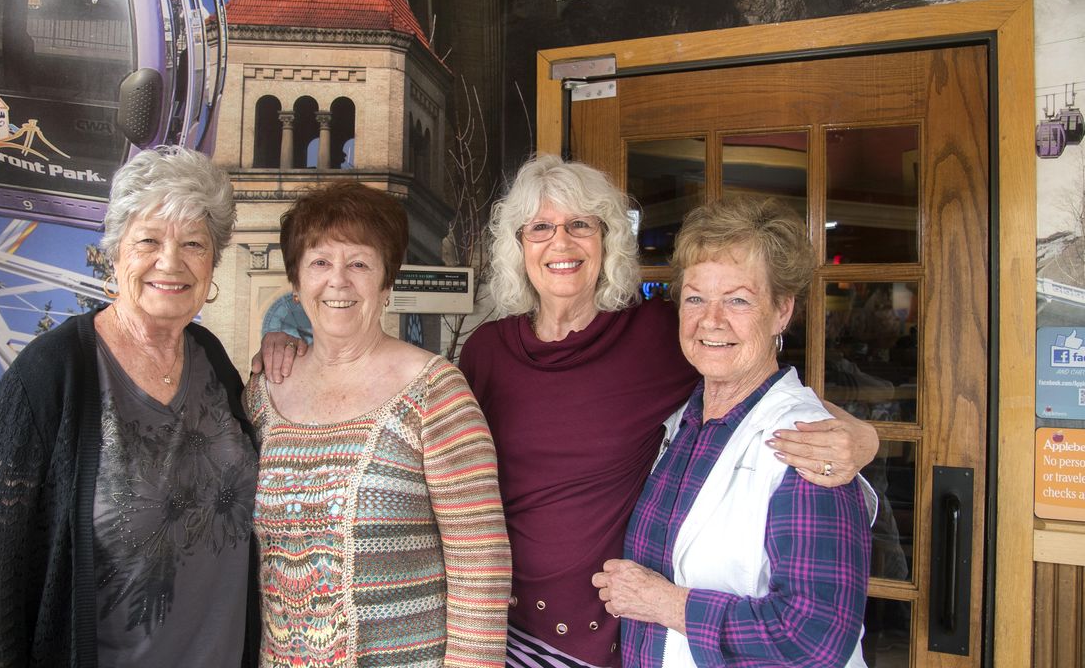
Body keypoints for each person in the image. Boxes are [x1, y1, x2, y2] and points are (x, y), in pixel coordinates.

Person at [258, 155, 877, 668]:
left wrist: (861, 436)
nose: (561, 242)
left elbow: (748, 379)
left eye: (581, 225)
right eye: (540, 228)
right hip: (492, 632)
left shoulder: (658, 337)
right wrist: (284, 341)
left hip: (601, 640)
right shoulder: (486, 351)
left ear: (607, 242)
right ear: (518, 247)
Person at [0, 146, 260, 667]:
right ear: (115, 253)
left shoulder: (214, 362)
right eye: (149, 241)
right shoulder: (51, 375)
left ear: (213, 262)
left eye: (193, 244)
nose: (170, 262)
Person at [593, 196, 872, 667]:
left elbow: (814, 640)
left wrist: (664, 603)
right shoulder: (684, 420)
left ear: (782, 311)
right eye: (696, 298)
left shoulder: (806, 446)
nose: (711, 320)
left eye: (738, 299)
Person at [243, 181, 511, 666]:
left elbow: (481, 566)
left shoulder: (434, 392)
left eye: (360, 263)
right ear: (297, 283)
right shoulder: (264, 395)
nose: (339, 281)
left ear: (387, 283)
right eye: (320, 262)